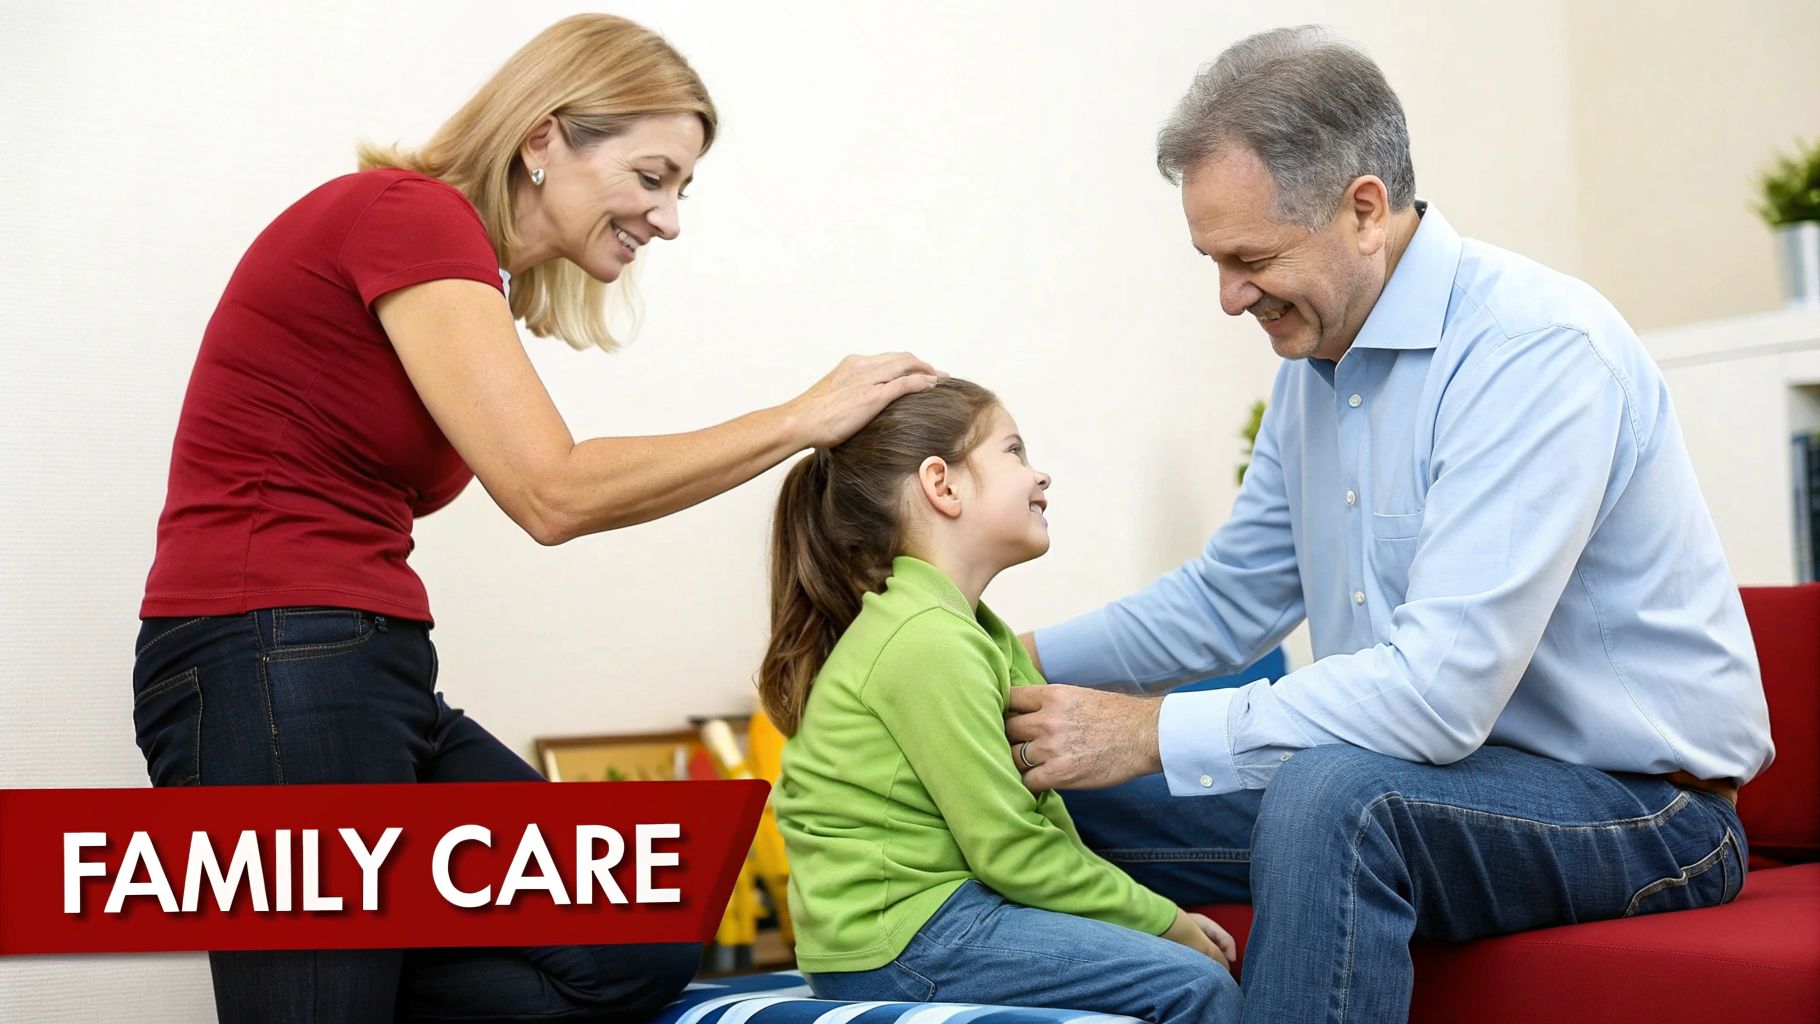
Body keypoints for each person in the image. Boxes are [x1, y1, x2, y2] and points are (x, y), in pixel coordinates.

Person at [131, 14, 938, 1023]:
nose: (669, 218)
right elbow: (550, 492)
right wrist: (798, 419)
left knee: (627, 931)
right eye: (651, 176)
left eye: (681, 188)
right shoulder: (407, 216)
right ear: (543, 137)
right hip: (271, 659)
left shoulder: (455, 264)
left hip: (362, 662)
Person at [1001, 25, 1775, 1024]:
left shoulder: (1533, 350)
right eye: (1212, 260)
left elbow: (1437, 694)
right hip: (1424, 786)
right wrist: (999, 664)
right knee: (1034, 786)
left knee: (1332, 799)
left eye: (1250, 258)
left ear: (1362, 209)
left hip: (1640, 811)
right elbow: (1227, 599)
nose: (1228, 297)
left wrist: (1150, 730)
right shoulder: (1314, 366)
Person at [759, 379, 1241, 1023]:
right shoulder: (927, 642)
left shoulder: (971, 630)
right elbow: (1010, 849)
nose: (1039, 474)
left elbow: (1040, 813)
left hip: (943, 913)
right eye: (1014, 451)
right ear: (943, 485)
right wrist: (1166, 923)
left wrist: (1148, 917)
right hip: (904, 937)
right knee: (1193, 985)